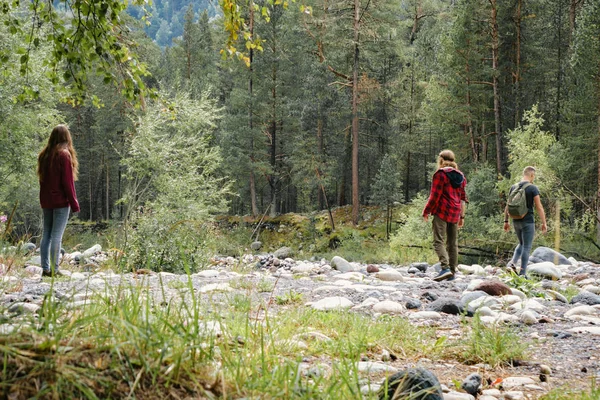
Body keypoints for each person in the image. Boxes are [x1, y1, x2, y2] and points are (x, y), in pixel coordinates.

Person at [37, 124, 80, 277]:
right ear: (66, 137)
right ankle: (55, 270)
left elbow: (42, 180)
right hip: (61, 201)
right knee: (56, 236)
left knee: (46, 234)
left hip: (46, 201)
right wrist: (74, 204)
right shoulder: (64, 155)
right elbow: (67, 183)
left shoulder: (44, 155)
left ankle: (45, 268)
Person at [423, 150, 467, 282]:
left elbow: (434, 195)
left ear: (441, 160)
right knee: (452, 243)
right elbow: (463, 198)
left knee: (438, 241)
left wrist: (426, 211)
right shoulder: (461, 176)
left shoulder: (440, 174)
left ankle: (445, 268)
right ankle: (452, 272)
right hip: (455, 212)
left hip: (442, 211)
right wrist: (462, 216)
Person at [503, 166, 547, 277]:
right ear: (531, 175)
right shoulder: (533, 188)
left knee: (521, 243)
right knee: (527, 246)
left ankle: (512, 263)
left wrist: (506, 221)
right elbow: (539, 207)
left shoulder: (514, 187)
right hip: (528, 221)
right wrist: (544, 223)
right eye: (534, 176)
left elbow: (507, 206)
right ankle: (523, 273)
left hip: (516, 220)